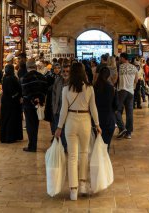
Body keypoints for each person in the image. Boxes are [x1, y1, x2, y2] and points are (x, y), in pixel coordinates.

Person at [54, 62, 101, 201]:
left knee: (72, 156)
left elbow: (63, 111)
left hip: (70, 121)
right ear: (83, 72)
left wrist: (59, 127)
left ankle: (73, 190)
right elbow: (93, 108)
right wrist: (97, 124)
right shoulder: (89, 88)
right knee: (84, 154)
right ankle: (83, 185)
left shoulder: (66, 89)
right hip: (85, 121)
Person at [21, 59, 48, 152]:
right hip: (39, 105)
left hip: (29, 105)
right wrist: (40, 99)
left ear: (27, 67)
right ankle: (33, 144)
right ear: (35, 67)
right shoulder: (42, 77)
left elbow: (25, 92)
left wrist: (33, 99)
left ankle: (32, 145)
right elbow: (45, 90)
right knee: (35, 125)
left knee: (30, 125)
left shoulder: (25, 77)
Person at [116, 52, 138, 139]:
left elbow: (115, 79)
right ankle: (128, 133)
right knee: (129, 112)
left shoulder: (119, 67)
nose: (120, 59)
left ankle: (122, 128)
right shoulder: (134, 67)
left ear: (122, 58)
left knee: (117, 110)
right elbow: (136, 80)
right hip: (130, 92)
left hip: (122, 91)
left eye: (120, 58)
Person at [94, 67, 116, 151]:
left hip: (97, 119)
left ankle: (98, 161)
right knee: (106, 145)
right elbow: (116, 105)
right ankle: (104, 161)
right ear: (108, 75)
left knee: (97, 144)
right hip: (108, 118)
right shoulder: (111, 88)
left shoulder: (94, 87)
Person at [0, 64, 23, 143]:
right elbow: (16, 90)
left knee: (5, 119)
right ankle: (10, 137)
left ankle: (4, 137)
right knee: (11, 119)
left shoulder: (4, 78)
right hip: (12, 102)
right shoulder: (13, 78)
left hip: (5, 101)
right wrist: (17, 96)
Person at [51, 62, 70, 151]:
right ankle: (62, 146)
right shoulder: (57, 81)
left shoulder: (72, 83)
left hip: (68, 111)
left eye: (67, 71)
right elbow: (54, 95)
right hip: (57, 110)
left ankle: (66, 147)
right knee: (59, 129)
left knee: (67, 130)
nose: (65, 73)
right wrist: (54, 107)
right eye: (64, 71)